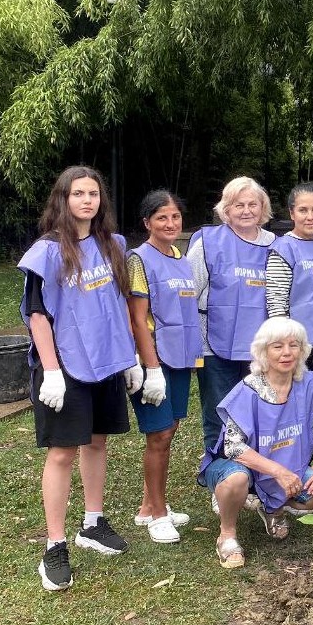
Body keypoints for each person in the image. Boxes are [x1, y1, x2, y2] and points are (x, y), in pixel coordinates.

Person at [19, 166, 144, 591]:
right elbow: (38, 316)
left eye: (93, 193)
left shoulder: (114, 246)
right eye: (78, 193)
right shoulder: (48, 251)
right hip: (66, 366)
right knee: (61, 453)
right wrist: (50, 371)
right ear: (63, 199)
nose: (87, 200)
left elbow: (119, 304)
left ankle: (92, 523)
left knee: (97, 441)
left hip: (107, 362)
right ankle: (54, 545)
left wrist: (130, 358)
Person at [200, 318, 313, 568]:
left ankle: (272, 508)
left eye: (294, 345)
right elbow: (233, 447)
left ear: (302, 350)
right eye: (277, 346)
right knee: (236, 479)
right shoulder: (248, 390)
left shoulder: (309, 384)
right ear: (263, 352)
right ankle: (227, 535)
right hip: (240, 466)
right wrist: (278, 472)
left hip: (286, 466)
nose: (287, 353)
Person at [127, 190, 202, 544]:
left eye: (175, 217)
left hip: (180, 357)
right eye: (162, 218)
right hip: (153, 359)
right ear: (147, 223)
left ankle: (148, 506)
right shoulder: (138, 260)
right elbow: (137, 320)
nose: (170, 224)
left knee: (168, 433)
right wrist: (151, 366)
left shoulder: (180, 258)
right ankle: (158, 515)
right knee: (157, 436)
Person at [188, 177, 276, 456]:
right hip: (214, 344)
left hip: (263, 348)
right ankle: (221, 480)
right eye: (239, 205)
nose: (247, 210)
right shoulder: (207, 242)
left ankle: (255, 482)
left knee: (260, 413)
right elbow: (189, 291)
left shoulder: (278, 245)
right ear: (226, 209)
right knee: (219, 413)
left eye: (253, 204)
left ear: (264, 209)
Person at [265, 182, 313, 379]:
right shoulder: (283, 248)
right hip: (295, 344)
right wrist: (287, 346)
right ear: (292, 213)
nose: (310, 217)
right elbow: (276, 304)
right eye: (303, 210)